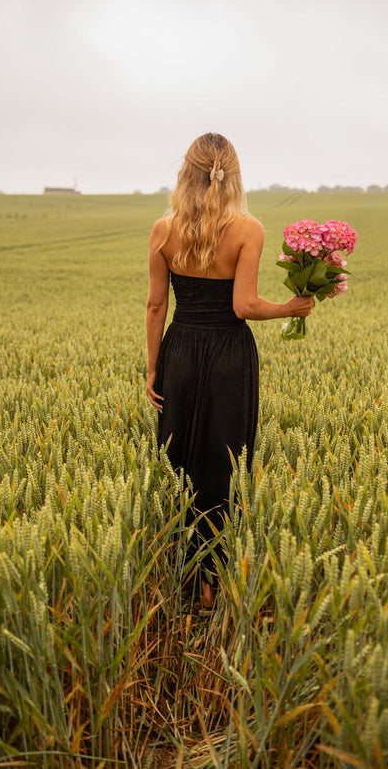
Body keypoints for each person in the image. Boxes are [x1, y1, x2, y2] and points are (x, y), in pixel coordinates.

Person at [146, 133, 314, 610]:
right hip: (229, 357)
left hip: (180, 351)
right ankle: (210, 586)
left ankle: (174, 569)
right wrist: (291, 308)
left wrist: (155, 369)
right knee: (223, 464)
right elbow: (243, 305)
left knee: (178, 459)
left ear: (187, 171)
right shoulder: (248, 229)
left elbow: (157, 306)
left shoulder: (162, 229)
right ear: (233, 173)